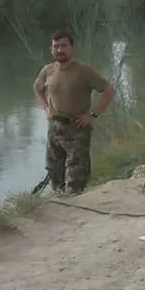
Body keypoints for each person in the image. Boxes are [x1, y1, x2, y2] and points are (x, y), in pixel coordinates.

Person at [33, 30, 115, 196]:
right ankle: (60, 201)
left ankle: (76, 201)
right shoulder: (48, 70)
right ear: (51, 49)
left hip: (76, 128)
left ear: (72, 48)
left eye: (64, 46)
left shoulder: (84, 71)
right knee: (55, 173)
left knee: (76, 177)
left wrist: (92, 115)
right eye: (56, 46)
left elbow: (108, 90)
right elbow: (37, 89)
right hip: (55, 128)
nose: (60, 50)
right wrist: (46, 108)